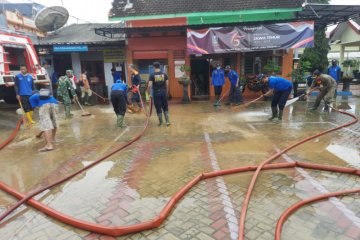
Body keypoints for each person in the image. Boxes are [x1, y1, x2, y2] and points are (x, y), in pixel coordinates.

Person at [147, 62, 170, 126]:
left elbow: (149, 86)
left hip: (156, 93)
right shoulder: (165, 74)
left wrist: (148, 93)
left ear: (154, 67)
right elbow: (167, 84)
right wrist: (167, 92)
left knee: (158, 107)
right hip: (163, 92)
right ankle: (167, 122)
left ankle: (161, 123)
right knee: (165, 106)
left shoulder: (152, 75)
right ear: (160, 67)